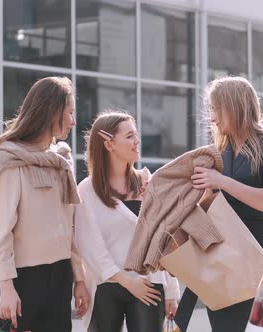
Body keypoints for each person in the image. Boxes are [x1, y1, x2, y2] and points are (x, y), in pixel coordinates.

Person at [0, 76, 89, 332]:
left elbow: (70, 227)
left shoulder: (60, 161)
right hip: (21, 278)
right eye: (70, 113)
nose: (74, 121)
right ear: (53, 112)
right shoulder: (11, 160)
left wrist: (79, 279)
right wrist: (7, 288)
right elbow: (1, 231)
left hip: (59, 276)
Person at [190, 76, 263, 331]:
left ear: (235, 107)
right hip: (222, 253)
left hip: (257, 251)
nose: (212, 118)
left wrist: (221, 181)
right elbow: (206, 206)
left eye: (217, 109)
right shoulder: (216, 152)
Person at [75, 110, 180, 332]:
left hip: (149, 284)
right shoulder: (86, 190)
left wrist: (172, 290)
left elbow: (162, 239)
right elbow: (90, 247)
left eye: (136, 134)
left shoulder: (148, 182)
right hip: (106, 285)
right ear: (109, 144)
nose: (137, 141)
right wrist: (127, 281)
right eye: (129, 136)